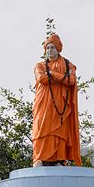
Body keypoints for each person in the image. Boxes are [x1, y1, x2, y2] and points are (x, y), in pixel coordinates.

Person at [31, 33, 82, 166]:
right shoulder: (39, 66)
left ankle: (59, 159)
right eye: (47, 48)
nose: (49, 50)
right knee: (41, 128)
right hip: (43, 103)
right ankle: (40, 158)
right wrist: (61, 78)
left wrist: (52, 74)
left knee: (59, 130)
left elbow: (71, 81)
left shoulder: (68, 65)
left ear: (58, 49)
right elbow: (42, 78)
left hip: (61, 105)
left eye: (52, 47)